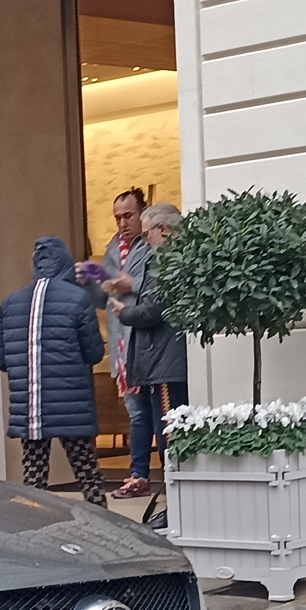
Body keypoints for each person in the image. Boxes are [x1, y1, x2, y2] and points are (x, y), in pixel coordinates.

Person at [0, 236, 106, 500]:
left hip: (30, 408)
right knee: (87, 476)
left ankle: (35, 533)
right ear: (65, 262)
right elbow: (94, 352)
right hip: (71, 405)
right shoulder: (78, 299)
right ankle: (107, 530)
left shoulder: (10, 304)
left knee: (34, 480)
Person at [105, 202, 189, 497]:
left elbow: (153, 310)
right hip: (166, 358)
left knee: (169, 432)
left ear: (163, 229)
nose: (145, 242)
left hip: (164, 360)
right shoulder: (179, 256)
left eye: (148, 234)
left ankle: (175, 501)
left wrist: (123, 313)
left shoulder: (164, 259)